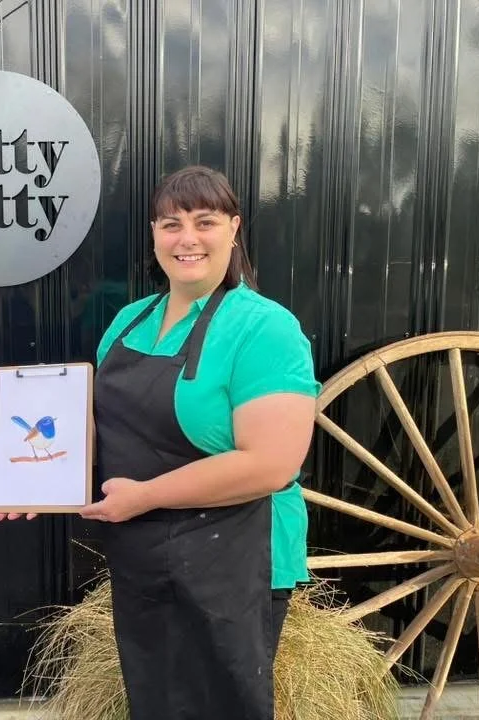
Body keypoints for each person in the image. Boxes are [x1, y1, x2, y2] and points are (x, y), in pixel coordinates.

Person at [80, 166, 320, 719]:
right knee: (158, 703)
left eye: (205, 221)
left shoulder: (265, 328)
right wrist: (37, 476)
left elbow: (269, 466)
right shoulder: (128, 321)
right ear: (154, 235)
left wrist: (142, 496)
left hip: (235, 559)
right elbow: (94, 423)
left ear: (234, 229)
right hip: (143, 555)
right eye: (171, 223)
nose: (187, 238)